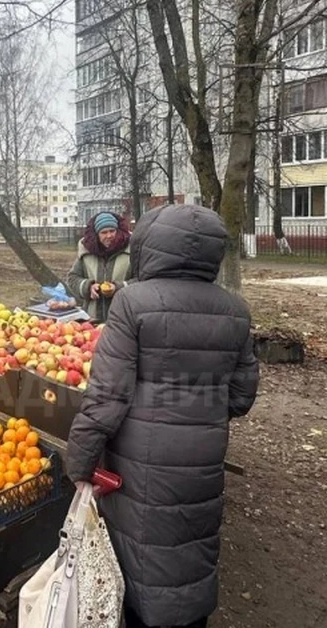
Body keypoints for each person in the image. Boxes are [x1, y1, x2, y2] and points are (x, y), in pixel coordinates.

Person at [63, 205, 260, 628]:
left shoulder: (133, 302)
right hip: (204, 455)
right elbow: (242, 397)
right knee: (192, 544)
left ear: (147, 247)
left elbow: (107, 396)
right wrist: (198, 411)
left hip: (141, 460)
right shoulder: (236, 310)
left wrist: (78, 463)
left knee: (144, 557)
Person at [66, 211, 131, 322]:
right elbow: (72, 279)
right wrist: (88, 287)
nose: (109, 236)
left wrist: (118, 288)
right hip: (92, 320)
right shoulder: (86, 251)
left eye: (112, 231)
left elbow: (142, 282)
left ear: (118, 231)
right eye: (104, 232)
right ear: (97, 234)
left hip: (123, 319)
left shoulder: (131, 251)